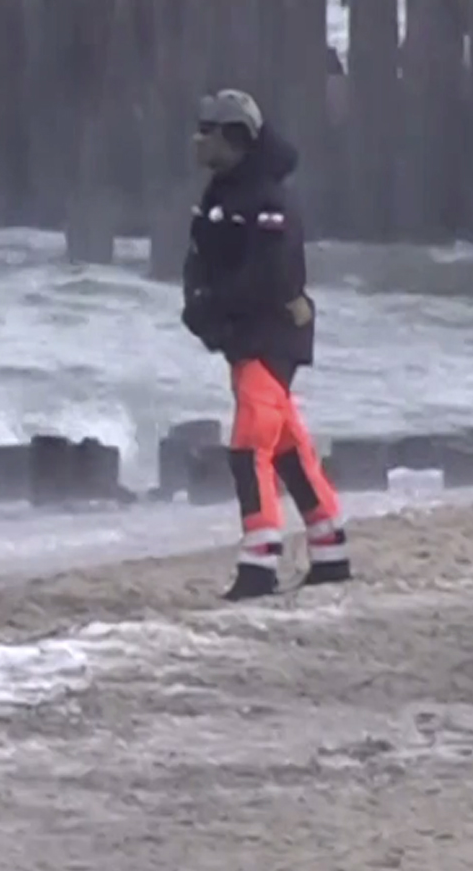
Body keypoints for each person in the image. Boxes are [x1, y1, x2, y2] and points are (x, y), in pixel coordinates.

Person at [180, 88, 349, 601]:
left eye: (208, 129)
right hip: (245, 337)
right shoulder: (221, 194)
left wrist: (217, 308)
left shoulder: (268, 201)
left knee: (250, 445)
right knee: (287, 447)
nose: (197, 138)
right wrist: (201, 313)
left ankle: (260, 563)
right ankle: (330, 549)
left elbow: (270, 278)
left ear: (236, 138)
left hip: (270, 336)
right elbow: (200, 261)